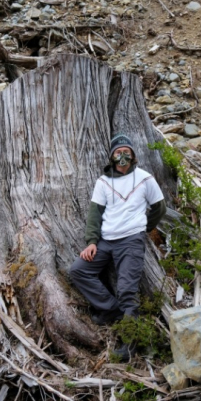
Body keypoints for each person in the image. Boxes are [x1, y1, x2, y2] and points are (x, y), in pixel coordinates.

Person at [69, 134, 166, 361]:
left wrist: (142, 227)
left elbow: (159, 208)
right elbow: (95, 214)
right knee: (79, 270)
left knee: (127, 290)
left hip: (131, 241)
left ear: (133, 155)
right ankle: (112, 310)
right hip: (105, 241)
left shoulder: (144, 178)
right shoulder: (103, 181)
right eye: (118, 152)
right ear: (112, 156)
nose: (122, 156)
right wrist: (92, 241)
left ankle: (128, 344)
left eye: (127, 152)